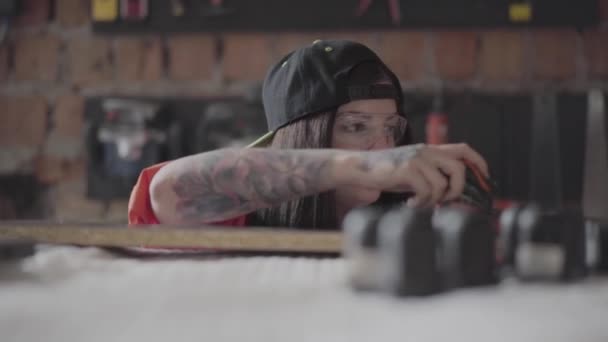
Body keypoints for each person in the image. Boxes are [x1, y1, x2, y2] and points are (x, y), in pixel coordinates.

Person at [128, 39, 488, 230]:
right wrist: (363, 167)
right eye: (356, 126)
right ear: (301, 137)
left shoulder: (407, 216)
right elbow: (167, 192)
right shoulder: (239, 215)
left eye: (391, 130)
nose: (385, 148)